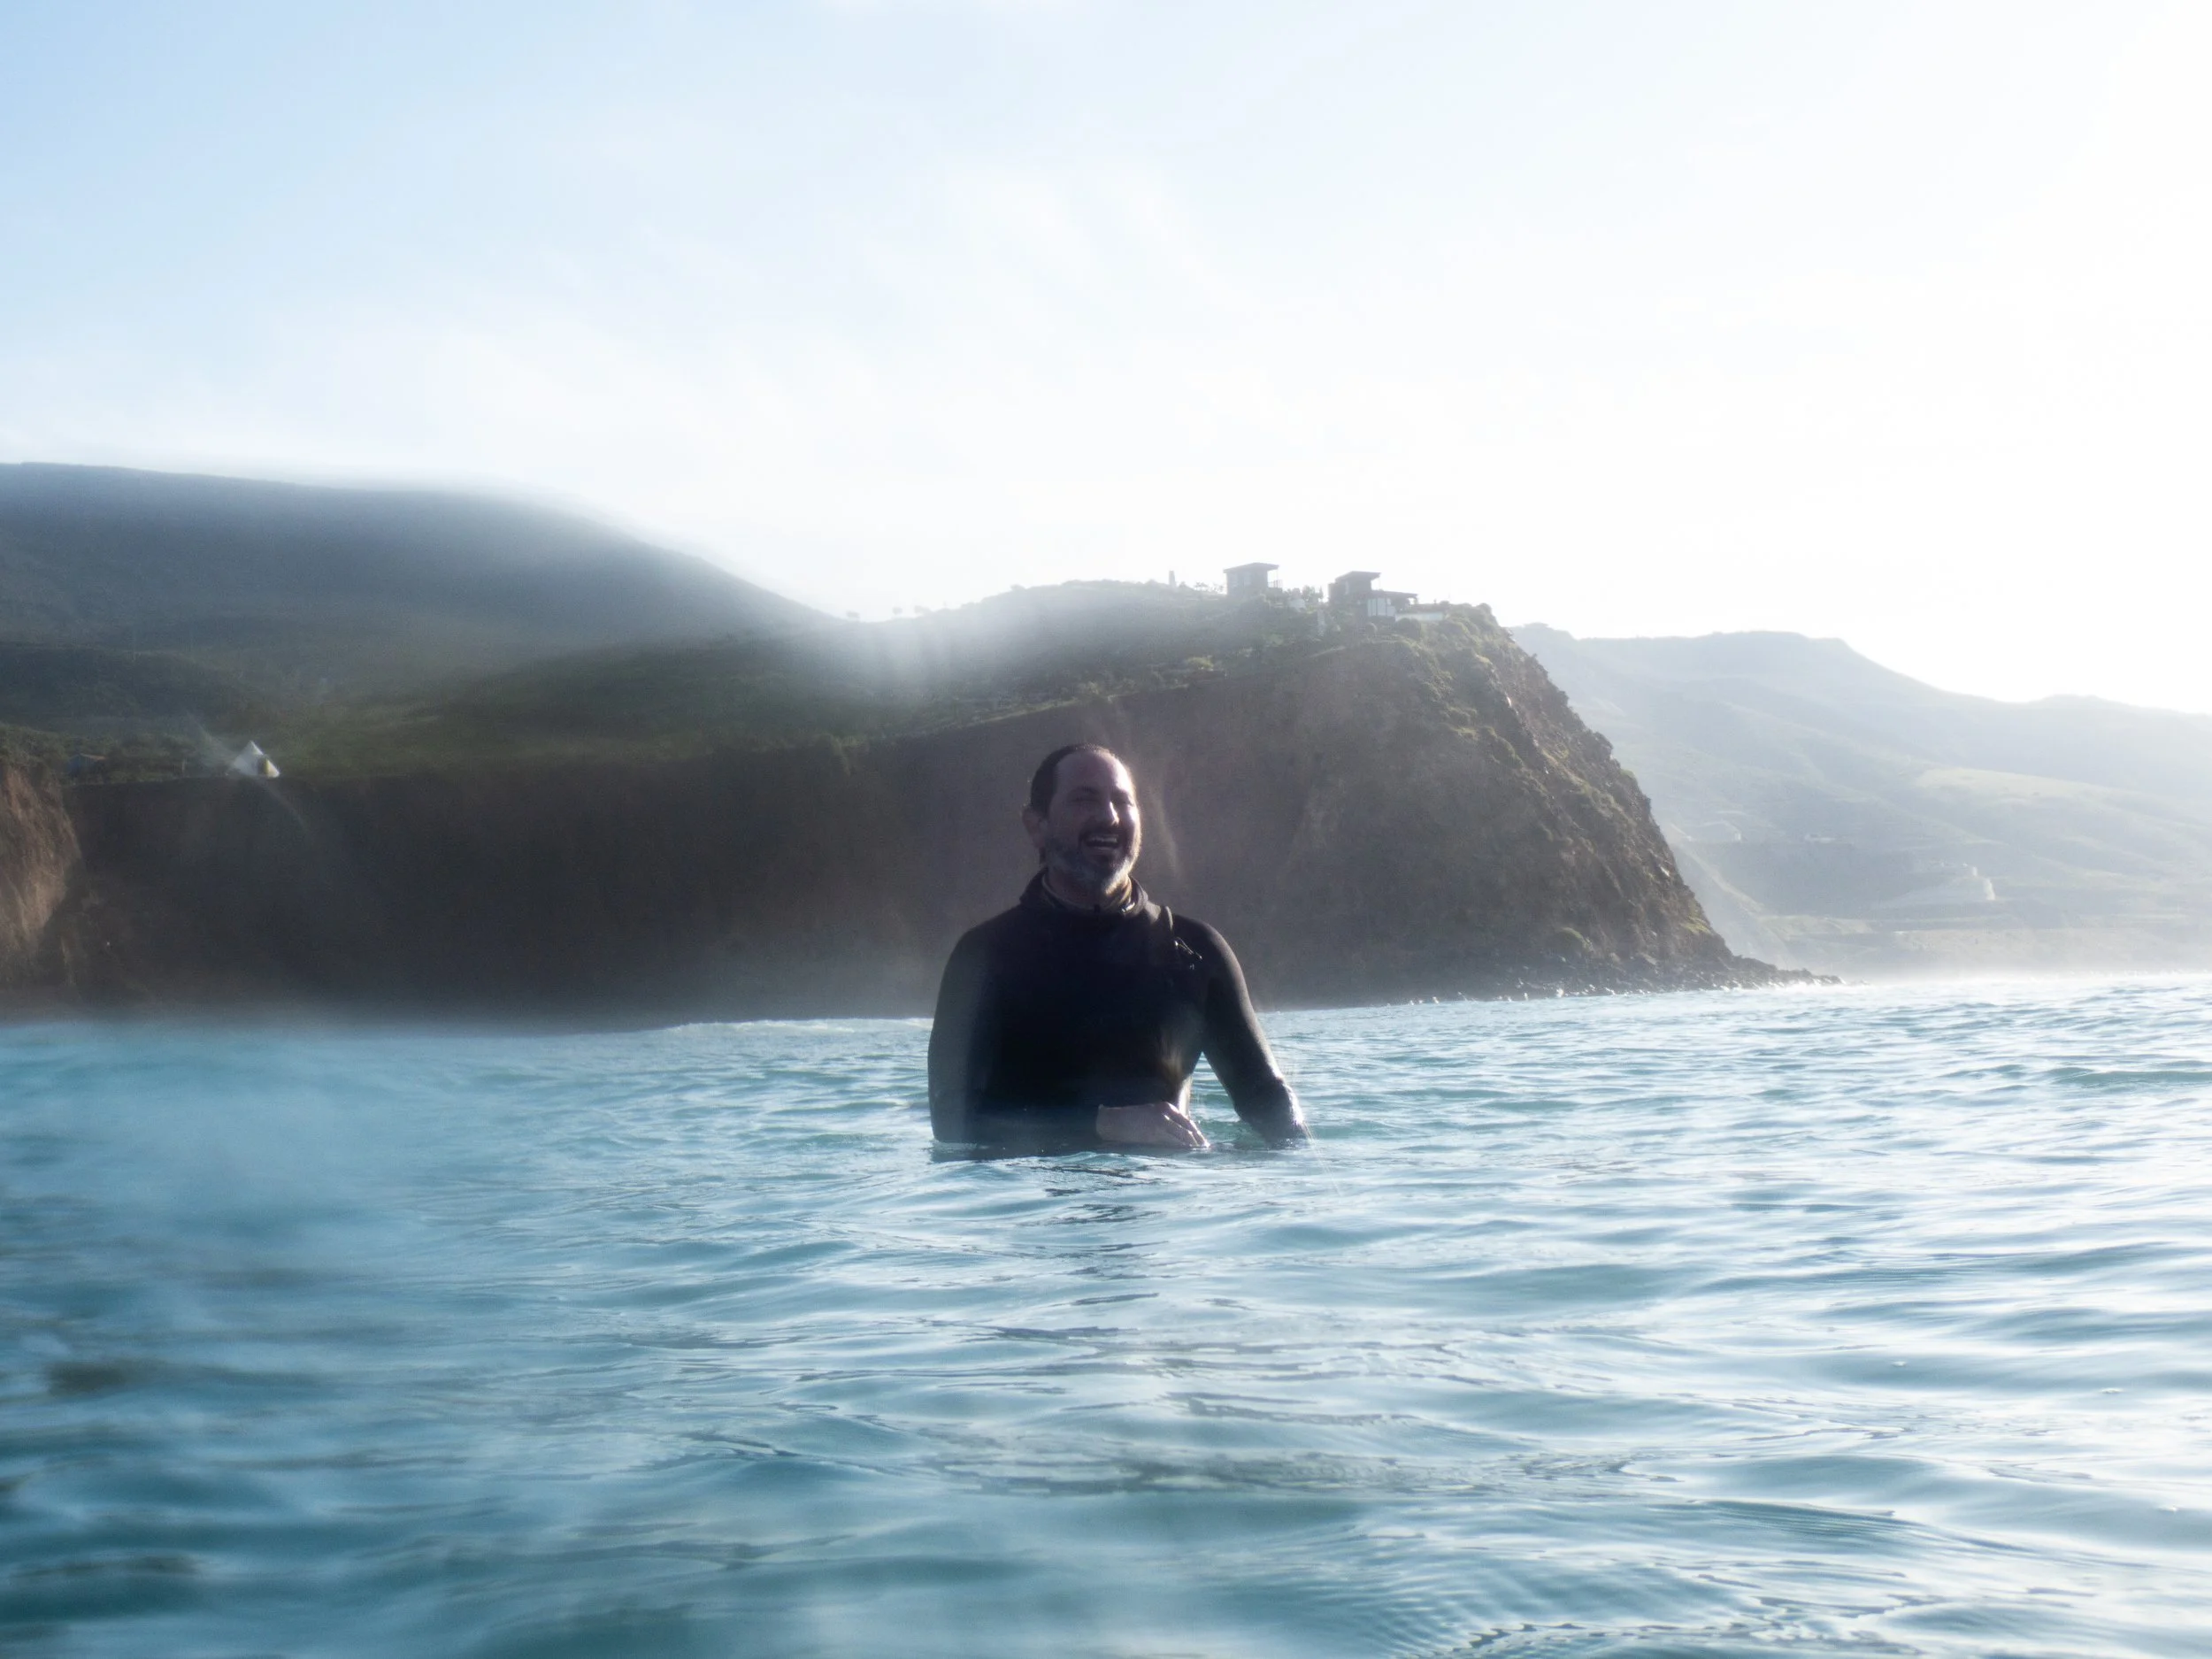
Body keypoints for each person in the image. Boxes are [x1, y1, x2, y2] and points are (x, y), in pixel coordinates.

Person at [928, 743, 1306, 1150]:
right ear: (1036, 825)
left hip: (1166, 1202)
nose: (1108, 817)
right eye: (1083, 800)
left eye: (1122, 802)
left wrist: (1310, 1178)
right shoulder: (986, 955)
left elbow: (1266, 1096)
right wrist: (1100, 1125)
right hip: (1032, 1207)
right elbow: (953, 1120)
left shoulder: (1194, 952)